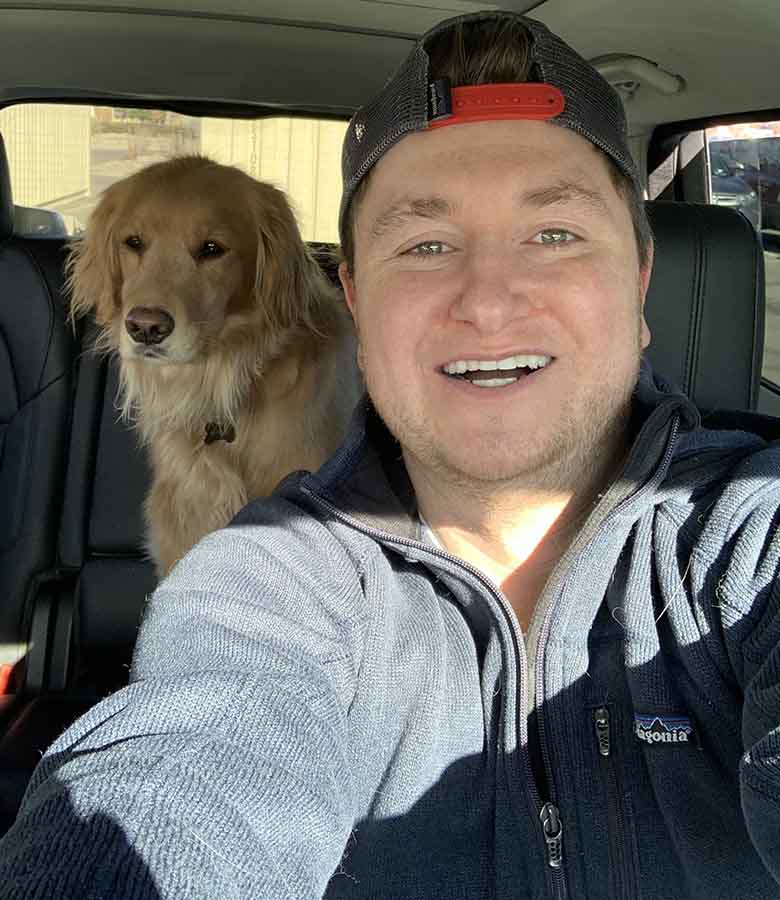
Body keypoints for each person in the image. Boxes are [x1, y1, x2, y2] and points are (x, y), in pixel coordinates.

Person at [2, 9, 780, 899]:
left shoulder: (752, 534)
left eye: (555, 234)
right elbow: (184, 766)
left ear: (640, 280)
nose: (488, 302)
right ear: (357, 298)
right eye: (426, 243)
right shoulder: (268, 583)